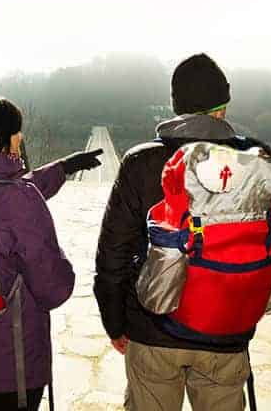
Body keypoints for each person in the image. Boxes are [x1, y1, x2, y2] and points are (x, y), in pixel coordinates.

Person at [94, 54, 252, 411]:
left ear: (175, 105)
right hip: (224, 332)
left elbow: (112, 256)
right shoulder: (251, 163)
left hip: (153, 328)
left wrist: (115, 323)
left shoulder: (140, 162)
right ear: (221, 109)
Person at [0, 95, 102, 411]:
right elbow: (54, 290)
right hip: (6, 370)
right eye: (17, 131)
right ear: (1, 139)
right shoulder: (19, 201)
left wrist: (64, 167)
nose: (21, 137)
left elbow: (6, 193)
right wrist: (58, 251)